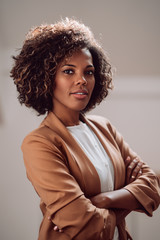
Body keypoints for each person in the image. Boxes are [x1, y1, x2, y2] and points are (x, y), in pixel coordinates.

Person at [10, 18, 160, 240]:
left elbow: (152, 186)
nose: (82, 80)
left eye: (88, 72)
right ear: (46, 78)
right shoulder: (39, 142)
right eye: (69, 71)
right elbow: (85, 224)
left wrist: (104, 200)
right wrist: (130, 198)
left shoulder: (104, 127)